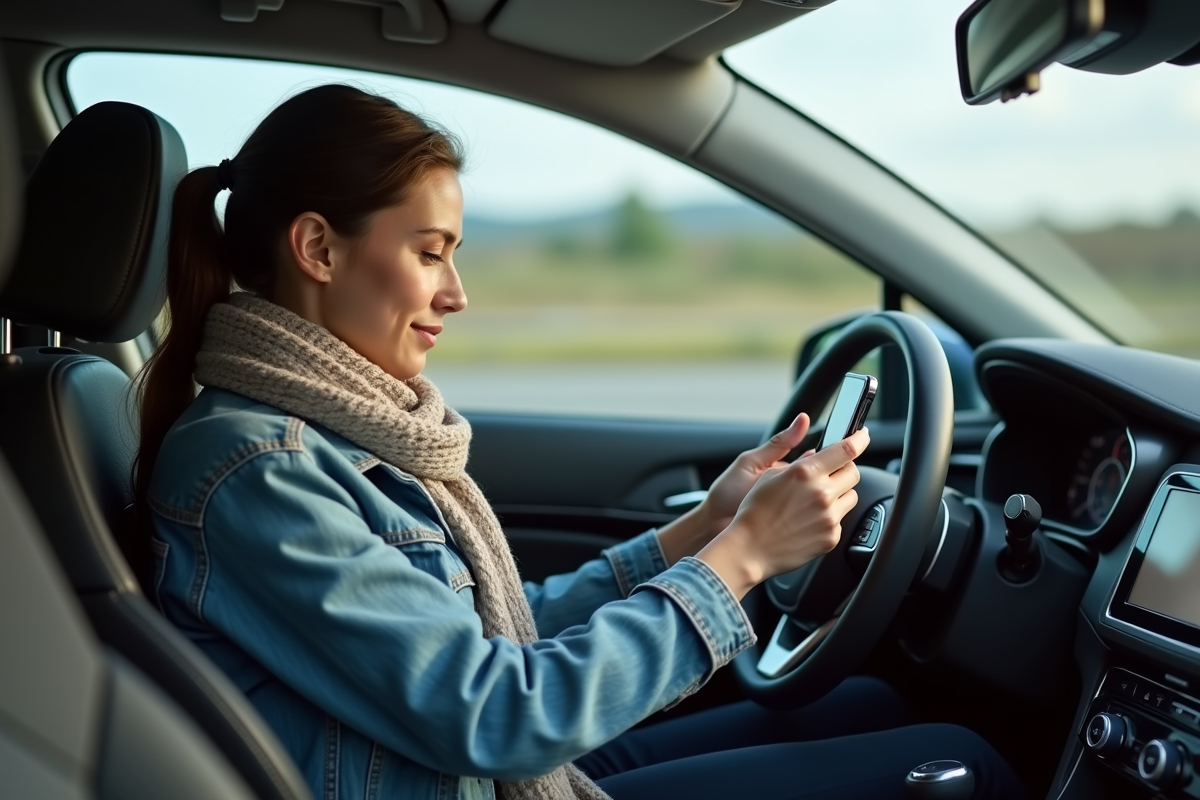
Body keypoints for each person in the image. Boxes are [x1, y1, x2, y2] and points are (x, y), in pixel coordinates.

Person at [138, 84, 1028, 800]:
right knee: (964, 763)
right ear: (318, 250)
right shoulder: (262, 470)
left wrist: (705, 531)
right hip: (477, 764)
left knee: (868, 703)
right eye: (429, 251)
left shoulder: (327, 435)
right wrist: (744, 560)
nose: (456, 293)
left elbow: (495, 638)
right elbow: (495, 714)